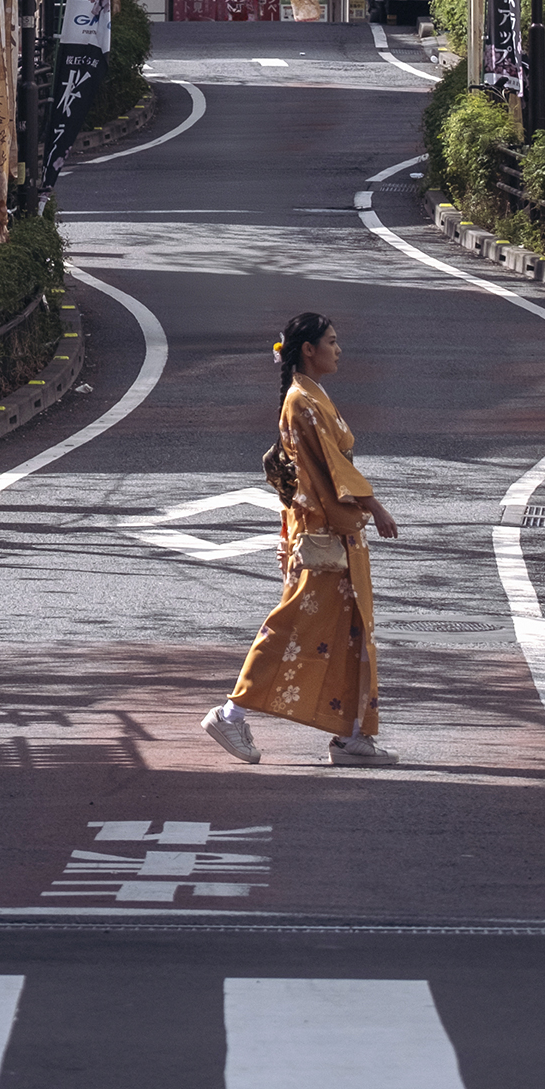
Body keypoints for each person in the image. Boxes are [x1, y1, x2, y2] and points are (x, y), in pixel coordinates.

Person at [201, 311, 400, 768]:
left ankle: (351, 735)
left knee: (350, 631)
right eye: (330, 341)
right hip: (321, 534)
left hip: (329, 532)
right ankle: (231, 713)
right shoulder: (301, 401)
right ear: (308, 349)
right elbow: (329, 467)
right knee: (294, 626)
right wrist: (374, 506)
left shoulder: (310, 396)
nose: (337, 348)